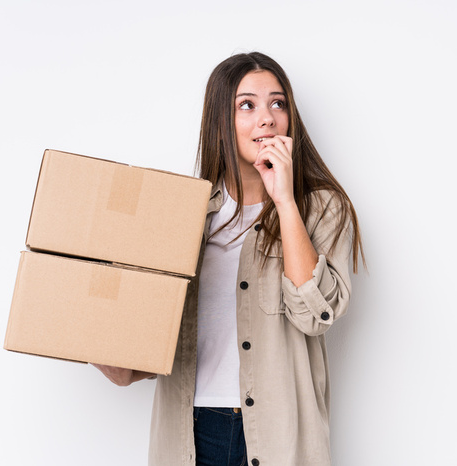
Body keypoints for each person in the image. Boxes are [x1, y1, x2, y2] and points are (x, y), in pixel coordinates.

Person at [93, 51, 364, 466]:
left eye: (278, 103)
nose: (267, 118)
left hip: (280, 434)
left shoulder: (322, 209)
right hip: (193, 432)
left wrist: (285, 201)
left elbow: (315, 315)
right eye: (247, 105)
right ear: (221, 119)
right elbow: (149, 347)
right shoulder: (183, 217)